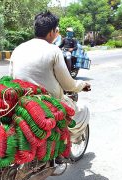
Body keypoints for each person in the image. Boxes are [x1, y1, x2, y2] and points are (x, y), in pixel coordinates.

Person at [8, 11, 91, 159]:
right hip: (48, 104)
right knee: (83, 111)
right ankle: (67, 141)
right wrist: (82, 84)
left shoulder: (18, 49)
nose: (57, 32)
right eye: (56, 29)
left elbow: (11, 78)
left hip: (22, 101)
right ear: (52, 31)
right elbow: (68, 84)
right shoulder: (53, 50)